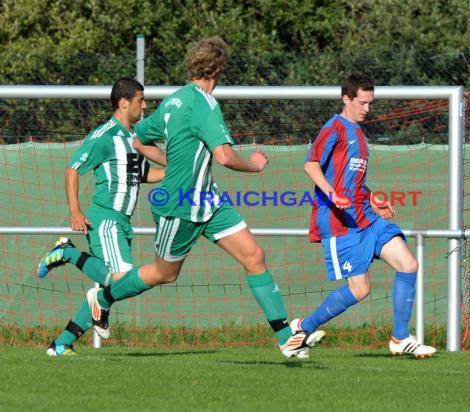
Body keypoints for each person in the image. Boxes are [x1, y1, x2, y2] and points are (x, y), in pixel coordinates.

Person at [84, 36, 325, 358]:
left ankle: (285, 337)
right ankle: (102, 299)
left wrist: (174, 162)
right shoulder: (204, 103)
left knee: (254, 256)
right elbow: (223, 156)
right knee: (164, 273)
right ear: (219, 69)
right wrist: (253, 166)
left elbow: (139, 138)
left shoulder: (173, 100)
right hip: (179, 205)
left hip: (209, 202)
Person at [293, 73, 436, 358]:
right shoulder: (334, 127)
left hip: (366, 218)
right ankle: (303, 328)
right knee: (359, 290)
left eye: (370, 103)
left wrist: (373, 198)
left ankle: (399, 337)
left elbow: (352, 180)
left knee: (408, 264)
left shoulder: (359, 133)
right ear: (346, 99)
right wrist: (332, 194)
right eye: (362, 102)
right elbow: (311, 165)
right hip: (339, 222)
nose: (367, 108)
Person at [37, 77, 166, 356]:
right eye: (140, 100)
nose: (144, 106)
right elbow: (72, 169)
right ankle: (69, 255)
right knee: (122, 282)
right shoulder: (104, 136)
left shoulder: (136, 137)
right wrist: (75, 210)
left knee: (110, 288)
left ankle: (61, 343)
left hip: (123, 222)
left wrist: (171, 173)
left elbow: (141, 174)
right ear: (123, 102)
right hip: (105, 219)